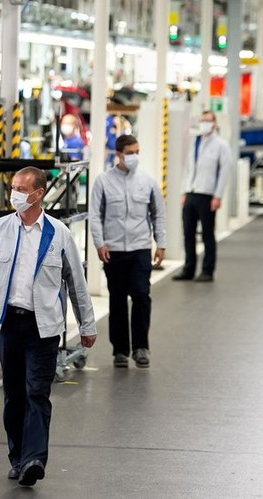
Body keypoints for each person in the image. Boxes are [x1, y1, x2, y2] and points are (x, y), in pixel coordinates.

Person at [0, 167, 97, 488]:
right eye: (13, 187)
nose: (14, 193)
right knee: (14, 395)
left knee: (37, 393)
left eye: (20, 188)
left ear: (38, 194)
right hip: (9, 324)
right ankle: (18, 457)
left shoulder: (58, 234)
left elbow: (77, 283)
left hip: (44, 327)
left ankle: (34, 459)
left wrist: (87, 324)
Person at [89, 134, 166, 368]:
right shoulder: (103, 182)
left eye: (137, 151)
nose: (135, 156)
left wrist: (160, 243)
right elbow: (95, 216)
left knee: (142, 295)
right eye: (130, 152)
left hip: (140, 248)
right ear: (119, 154)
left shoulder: (148, 181)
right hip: (114, 251)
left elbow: (158, 214)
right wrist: (99, 243)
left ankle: (141, 347)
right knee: (118, 300)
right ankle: (120, 351)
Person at [172, 111, 232, 282]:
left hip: (207, 195)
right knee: (188, 233)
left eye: (208, 120)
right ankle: (188, 269)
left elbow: (225, 172)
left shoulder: (221, 145)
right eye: (202, 120)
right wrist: (184, 191)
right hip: (191, 193)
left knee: (207, 234)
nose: (204, 123)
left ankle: (207, 270)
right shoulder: (196, 142)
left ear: (214, 123)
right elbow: (188, 169)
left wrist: (218, 196)